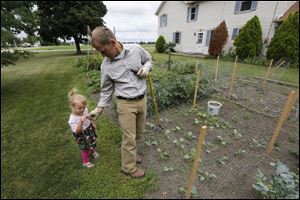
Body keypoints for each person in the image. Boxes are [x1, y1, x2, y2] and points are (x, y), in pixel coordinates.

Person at [89, 26, 152, 178]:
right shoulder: (106, 66)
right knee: (129, 137)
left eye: (102, 50)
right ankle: (129, 168)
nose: (101, 54)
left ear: (112, 42)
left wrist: (146, 68)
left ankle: (133, 154)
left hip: (142, 99)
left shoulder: (136, 50)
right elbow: (106, 90)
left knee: (139, 133)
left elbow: (149, 59)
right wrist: (99, 108)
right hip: (125, 104)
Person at [68, 88, 100, 169]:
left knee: (91, 142)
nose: (82, 110)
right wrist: (80, 122)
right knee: (84, 147)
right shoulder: (72, 119)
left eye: (84, 107)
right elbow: (77, 131)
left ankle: (92, 151)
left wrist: (92, 123)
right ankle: (85, 162)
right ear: (72, 108)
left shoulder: (84, 110)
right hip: (81, 134)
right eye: (79, 108)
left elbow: (88, 117)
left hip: (88, 129)